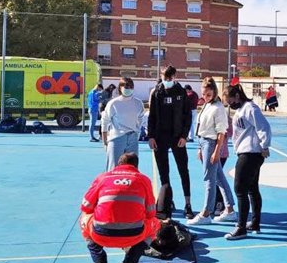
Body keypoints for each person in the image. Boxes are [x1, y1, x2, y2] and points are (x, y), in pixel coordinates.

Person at [80, 152, 159, 263]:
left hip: (101, 234)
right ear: (136, 167)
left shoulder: (103, 178)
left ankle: (99, 262)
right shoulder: (143, 180)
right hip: (134, 234)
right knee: (155, 223)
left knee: (84, 218)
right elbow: (151, 213)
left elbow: (85, 206)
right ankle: (131, 261)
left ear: (118, 164)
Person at [224, 84, 272, 240]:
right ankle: (255, 223)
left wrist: (264, 146)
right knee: (252, 188)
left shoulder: (250, 108)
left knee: (240, 189)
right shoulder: (240, 110)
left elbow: (263, 127)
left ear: (237, 96)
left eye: (230, 101)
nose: (229, 104)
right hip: (245, 151)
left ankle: (241, 227)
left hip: (251, 152)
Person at [187, 77, 237, 225]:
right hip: (203, 142)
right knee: (219, 178)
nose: (205, 97)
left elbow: (222, 132)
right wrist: (199, 147)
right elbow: (201, 127)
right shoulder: (207, 105)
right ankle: (230, 210)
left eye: (208, 94)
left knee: (209, 178)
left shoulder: (218, 107)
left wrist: (216, 151)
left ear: (214, 92)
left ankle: (206, 213)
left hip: (211, 143)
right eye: (203, 94)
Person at [148, 66, 194, 220]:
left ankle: (188, 204)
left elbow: (187, 116)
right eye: (164, 78)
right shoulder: (157, 92)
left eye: (170, 78)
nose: (167, 81)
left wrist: (184, 136)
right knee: (164, 172)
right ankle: (168, 200)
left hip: (177, 137)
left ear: (175, 76)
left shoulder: (181, 92)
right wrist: (151, 136)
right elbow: (152, 116)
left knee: (183, 170)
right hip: (160, 137)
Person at [101, 77, 144, 171]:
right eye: (126, 87)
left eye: (131, 87)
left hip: (132, 138)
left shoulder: (138, 103)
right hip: (117, 138)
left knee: (132, 169)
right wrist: (105, 140)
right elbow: (105, 120)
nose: (128, 89)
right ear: (120, 88)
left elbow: (140, 118)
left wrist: (137, 132)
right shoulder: (113, 103)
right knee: (113, 168)